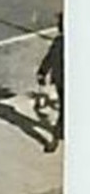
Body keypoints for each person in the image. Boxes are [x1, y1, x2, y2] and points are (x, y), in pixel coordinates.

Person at [36, 13, 63, 153]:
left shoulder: (59, 41)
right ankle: (56, 138)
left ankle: (58, 136)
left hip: (61, 80)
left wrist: (42, 73)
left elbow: (49, 58)